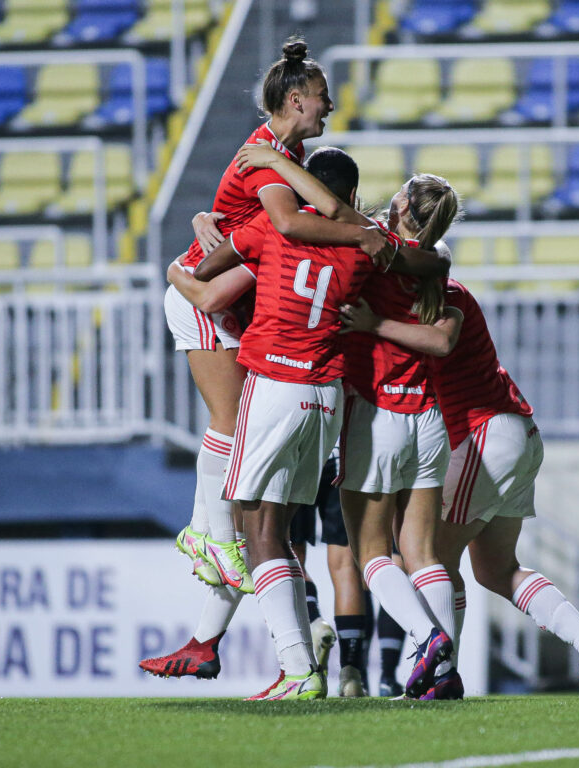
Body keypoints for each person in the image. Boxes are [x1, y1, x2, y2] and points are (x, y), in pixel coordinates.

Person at [143, 148, 448, 688]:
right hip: (328, 398)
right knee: (291, 535)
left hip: (276, 385)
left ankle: (295, 664)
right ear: (353, 198)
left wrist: (175, 269)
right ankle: (239, 644)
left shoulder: (272, 226)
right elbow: (434, 263)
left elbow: (209, 291)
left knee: (257, 528)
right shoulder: (369, 247)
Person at [145, 37, 392, 680]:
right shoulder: (270, 161)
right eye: (321, 98)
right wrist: (362, 233)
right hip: (210, 302)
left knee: (266, 521)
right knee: (235, 451)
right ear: (294, 99)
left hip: (240, 307)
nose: (330, 105)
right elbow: (287, 223)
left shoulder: (286, 154)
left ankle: (207, 639)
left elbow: (272, 217)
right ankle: (205, 535)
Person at [237, 142, 465, 700]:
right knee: (423, 553)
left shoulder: (366, 248)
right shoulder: (434, 261)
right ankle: (444, 673)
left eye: (401, 194)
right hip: (430, 419)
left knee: (369, 556)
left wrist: (272, 162)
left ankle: (426, 637)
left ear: (403, 206)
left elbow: (321, 218)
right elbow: (436, 310)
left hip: (374, 411)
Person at [338, 278, 579, 700]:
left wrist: (372, 322)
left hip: (483, 431)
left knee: (430, 555)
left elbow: (437, 341)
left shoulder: (439, 295)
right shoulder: (444, 291)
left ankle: (440, 676)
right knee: (495, 569)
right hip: (517, 431)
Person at [288, 446, 374, 698]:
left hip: (300, 452)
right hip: (341, 455)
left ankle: (314, 622)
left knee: (291, 560)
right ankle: (351, 673)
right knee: (346, 565)